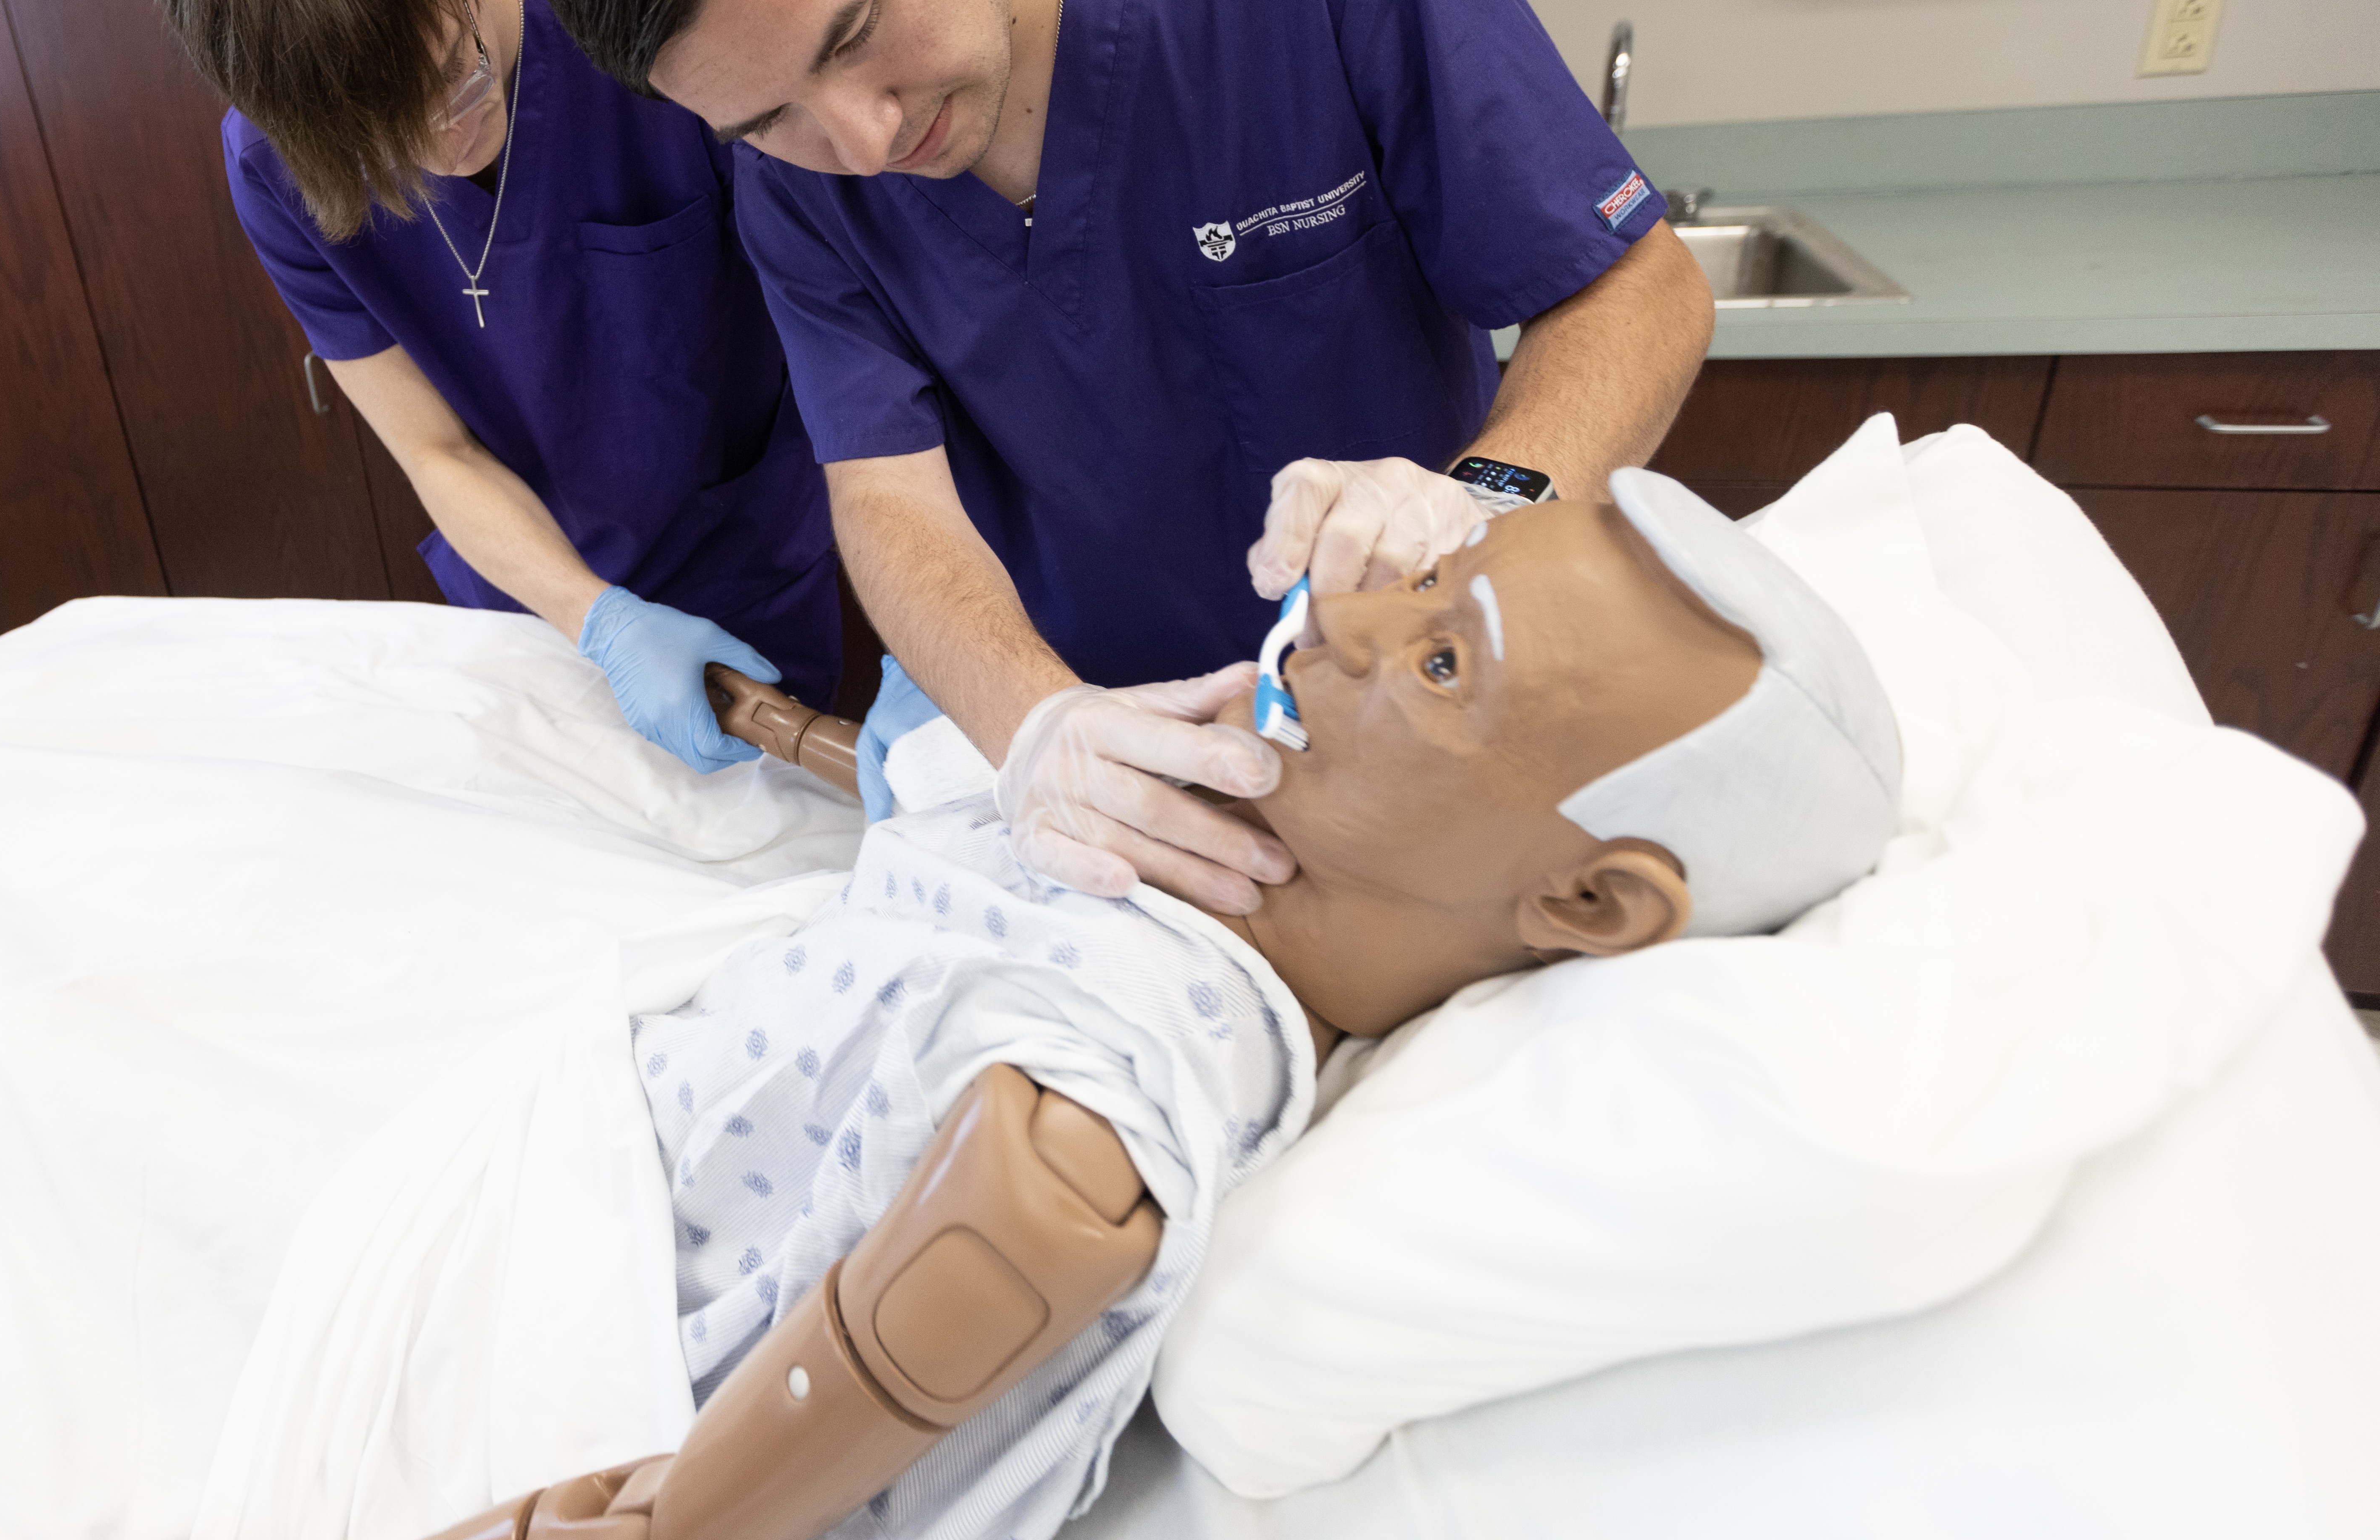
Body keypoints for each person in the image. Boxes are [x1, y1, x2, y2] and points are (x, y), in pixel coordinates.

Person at [423, 472, 1901, 1540]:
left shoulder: (1183, 1013)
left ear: (1588, 903)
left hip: (593, 1277)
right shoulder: (1207, 787)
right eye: (1428, 581)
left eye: (1443, 663)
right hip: (593, 1102)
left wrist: (662, 1521)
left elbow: (1029, 1211)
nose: (1346, 616)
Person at [518, 0, 1716, 903]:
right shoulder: (798, 192)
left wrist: (1480, 505)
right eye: (768, 116)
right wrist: (1038, 727)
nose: (864, 145)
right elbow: (889, 504)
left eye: (852, 32)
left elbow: (1637, 290)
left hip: (1416, 717)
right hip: (1128, 774)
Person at [149, 0, 839, 767]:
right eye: (378, 153)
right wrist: (594, 620)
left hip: (741, 563)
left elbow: (843, 317)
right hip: (521, 605)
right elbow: (434, 450)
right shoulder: (273, 165)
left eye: (453, 84)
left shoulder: (640, 25)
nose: (439, 154)